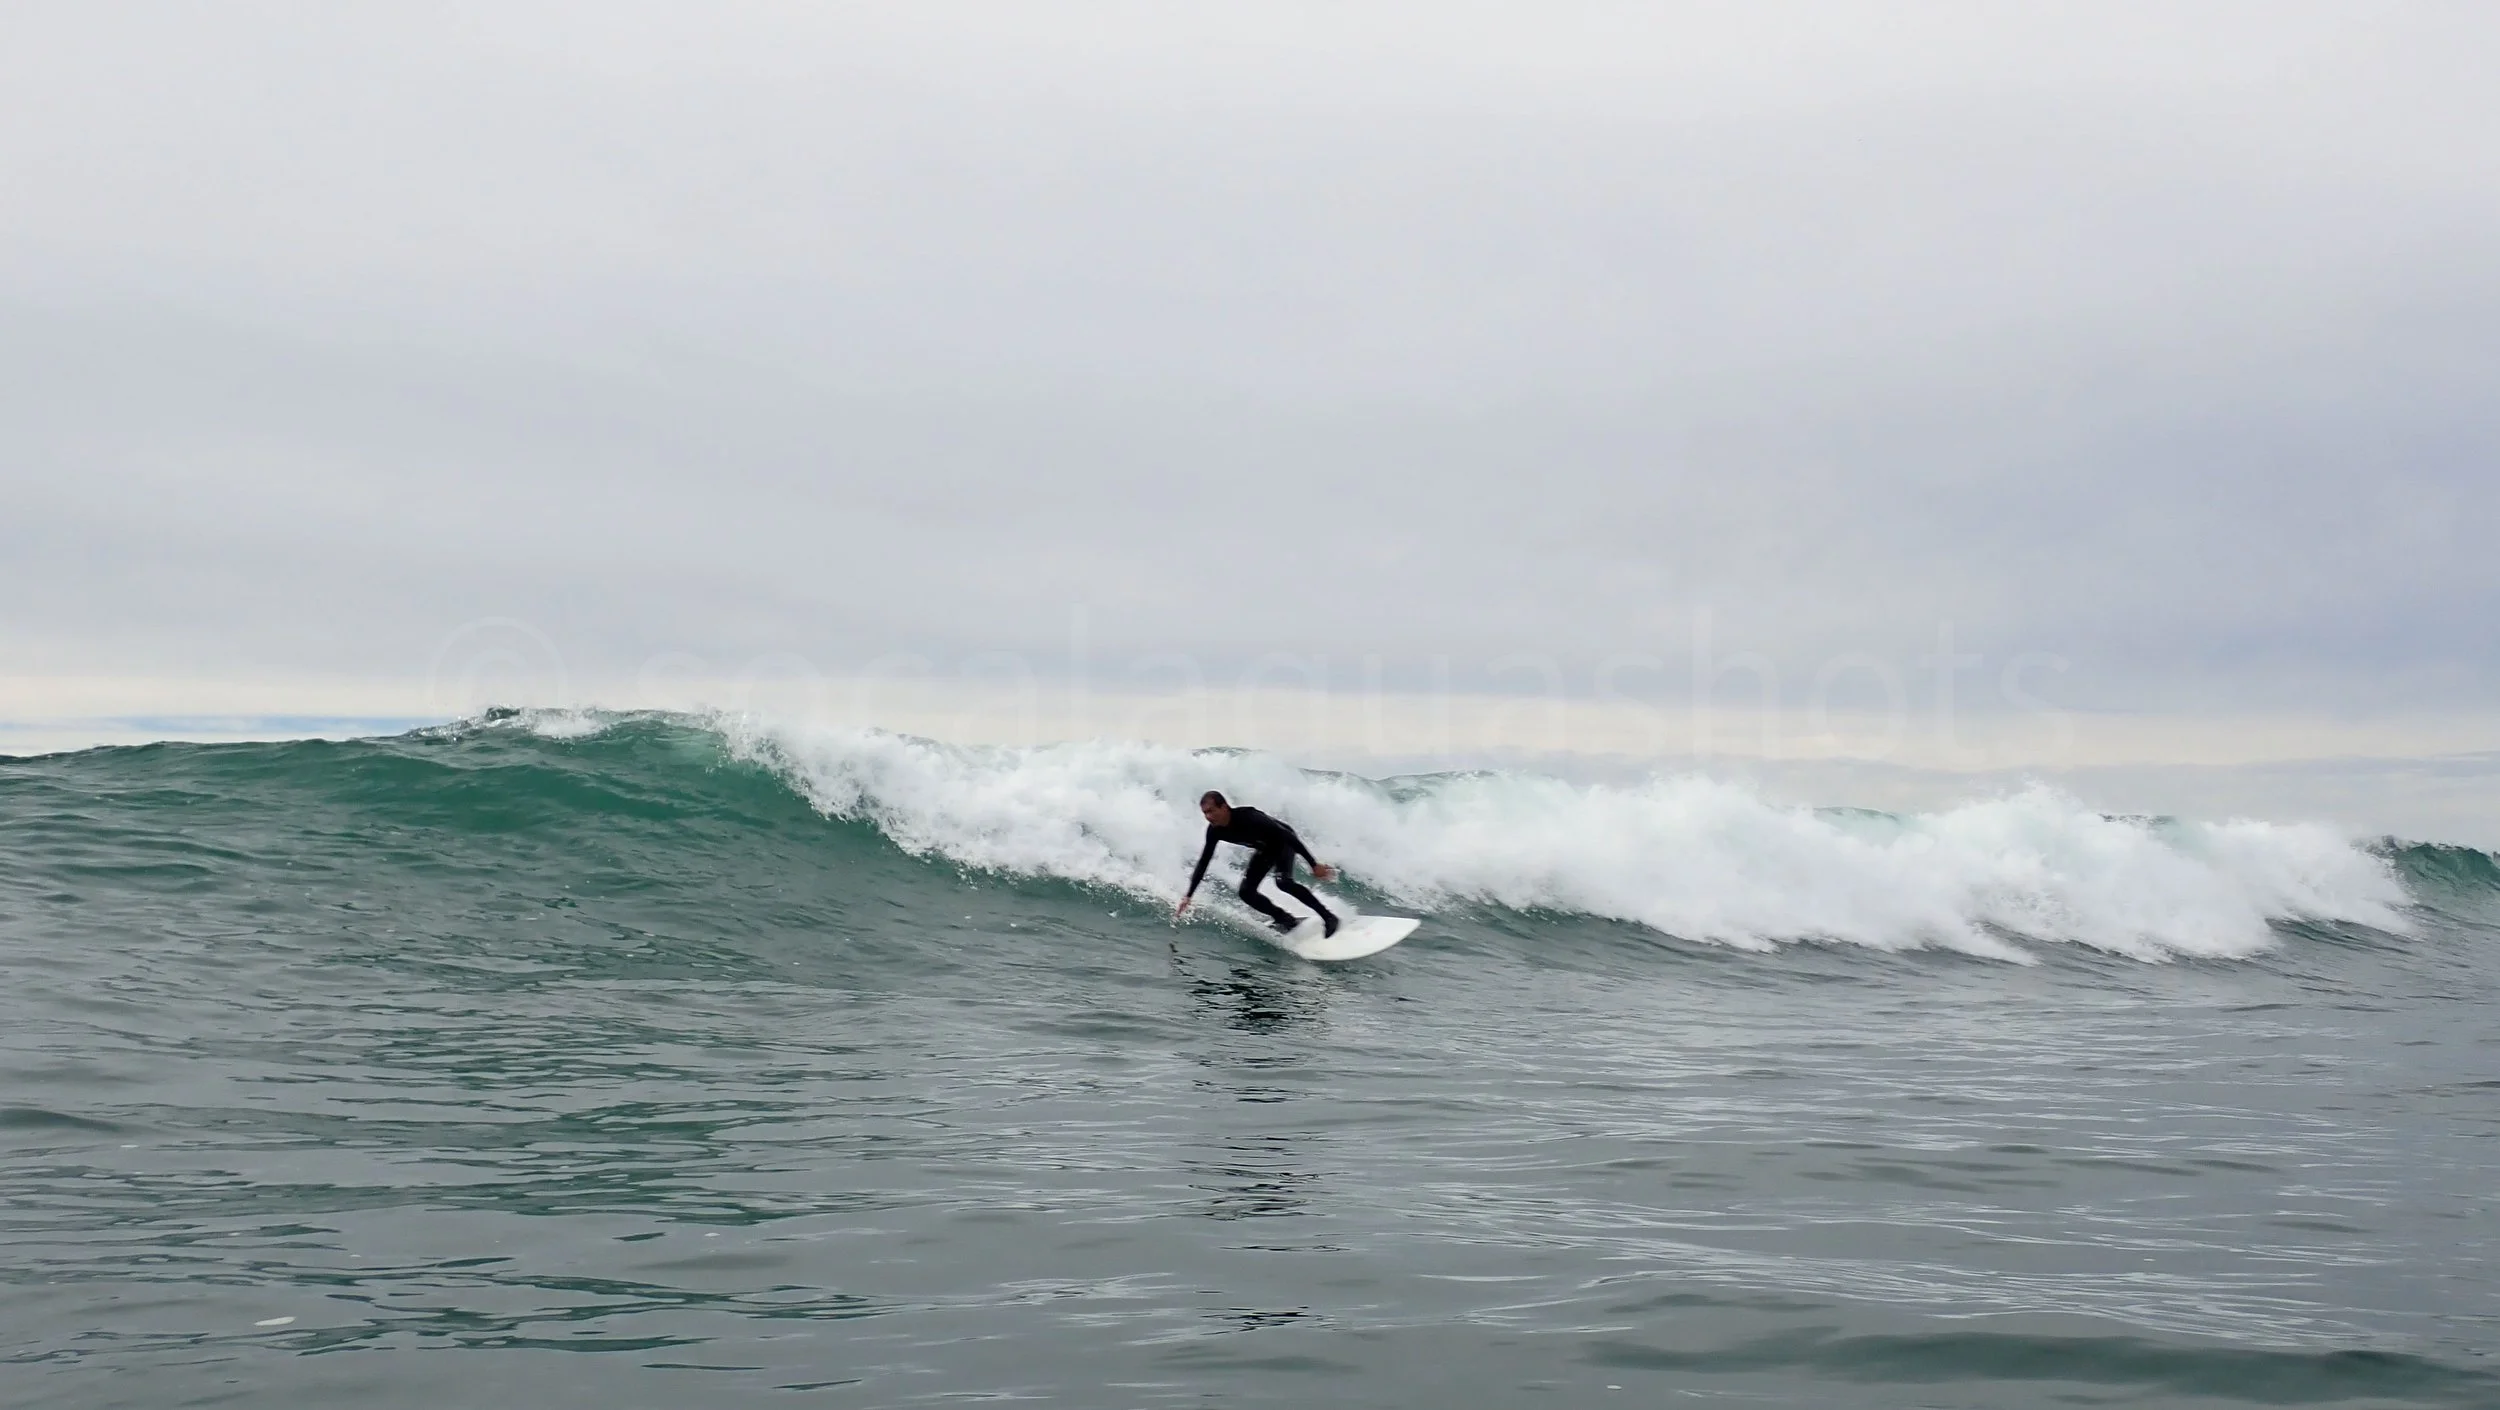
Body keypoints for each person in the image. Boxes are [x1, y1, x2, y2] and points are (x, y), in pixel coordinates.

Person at [1174, 790, 1340, 936]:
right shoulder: (1214, 831)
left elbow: (1286, 835)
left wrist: (1313, 864)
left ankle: (1329, 917)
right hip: (1265, 849)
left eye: (1211, 811)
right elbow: (1204, 861)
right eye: (1205, 813)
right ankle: (1285, 919)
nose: (1208, 817)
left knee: (1283, 882)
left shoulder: (1249, 817)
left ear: (1224, 807)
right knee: (1246, 892)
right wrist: (1189, 895)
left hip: (1283, 841)